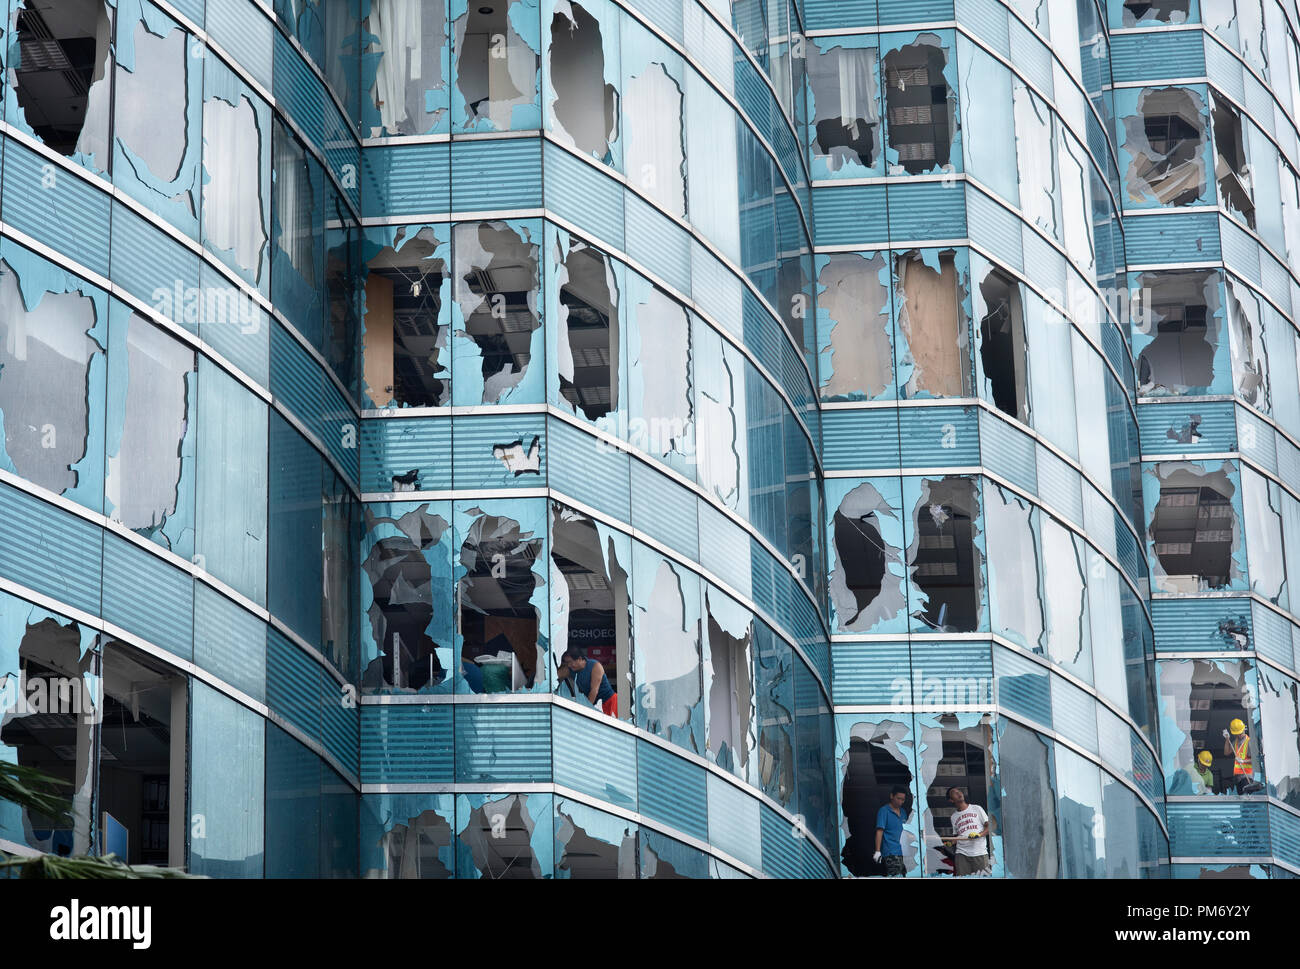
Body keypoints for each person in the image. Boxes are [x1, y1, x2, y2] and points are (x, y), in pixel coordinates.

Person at [942, 787, 991, 876]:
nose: (959, 793)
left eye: (959, 791)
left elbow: (989, 827)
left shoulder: (977, 808)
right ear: (951, 800)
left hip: (979, 852)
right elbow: (957, 837)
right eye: (954, 792)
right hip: (961, 854)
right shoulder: (953, 817)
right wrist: (950, 843)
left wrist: (979, 835)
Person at [556, 646, 617, 717]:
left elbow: (594, 691)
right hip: (593, 704)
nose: (569, 665)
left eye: (570, 662)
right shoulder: (570, 669)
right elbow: (554, 675)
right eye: (567, 663)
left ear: (579, 659)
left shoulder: (595, 666)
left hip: (610, 702)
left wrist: (585, 711)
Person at [873, 784, 910, 876]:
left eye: (903, 799)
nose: (900, 801)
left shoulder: (903, 812)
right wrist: (877, 851)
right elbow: (879, 831)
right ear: (891, 796)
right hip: (891, 852)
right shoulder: (884, 811)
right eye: (898, 798)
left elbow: (906, 832)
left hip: (904, 852)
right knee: (896, 875)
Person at [1223, 718, 1263, 794]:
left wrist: (1243, 761)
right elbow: (1226, 752)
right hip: (1238, 778)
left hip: (1247, 777)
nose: (1239, 734)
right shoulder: (1236, 741)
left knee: (1247, 798)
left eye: (1241, 733)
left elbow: (1255, 760)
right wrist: (1227, 740)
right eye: (1238, 733)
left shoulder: (1249, 742)